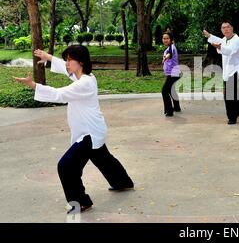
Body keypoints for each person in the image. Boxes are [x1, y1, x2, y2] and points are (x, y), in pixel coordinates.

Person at [14, 45, 134, 213]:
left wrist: (33, 84)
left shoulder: (84, 83)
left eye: (70, 60)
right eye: (67, 60)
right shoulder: (84, 77)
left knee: (66, 166)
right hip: (94, 129)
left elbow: (59, 95)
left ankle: (81, 202)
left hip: (89, 133)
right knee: (102, 158)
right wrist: (49, 57)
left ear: (81, 62)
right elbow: (65, 70)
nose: (67, 64)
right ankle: (123, 182)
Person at [203, 20, 239, 125]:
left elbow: (229, 51)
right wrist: (210, 36)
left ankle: (232, 117)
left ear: (232, 28)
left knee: (229, 94)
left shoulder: (237, 40)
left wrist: (219, 47)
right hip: (229, 70)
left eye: (228, 27)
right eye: (223, 28)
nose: (226, 29)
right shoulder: (225, 39)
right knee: (234, 92)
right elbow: (220, 41)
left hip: (235, 70)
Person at [161, 32, 181, 117]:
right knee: (170, 90)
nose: (165, 40)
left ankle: (169, 111)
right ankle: (176, 107)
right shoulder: (170, 47)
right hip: (173, 73)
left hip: (173, 74)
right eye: (164, 38)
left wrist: (167, 56)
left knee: (164, 91)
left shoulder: (171, 48)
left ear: (171, 40)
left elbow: (170, 53)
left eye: (167, 38)